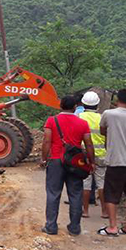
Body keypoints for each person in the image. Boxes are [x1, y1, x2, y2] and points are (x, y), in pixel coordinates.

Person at [41, 95, 95, 236]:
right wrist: (91, 161)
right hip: (75, 163)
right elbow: (89, 144)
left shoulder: (52, 121)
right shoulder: (82, 123)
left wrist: (44, 158)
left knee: (53, 193)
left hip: (56, 160)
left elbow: (47, 141)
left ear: (60, 106)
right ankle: (74, 227)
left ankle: (51, 226)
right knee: (76, 194)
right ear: (75, 107)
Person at [99, 89, 126, 236]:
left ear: (116, 100)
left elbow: (102, 130)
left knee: (111, 194)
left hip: (115, 160)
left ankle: (112, 227)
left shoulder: (108, 114)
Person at [78, 91, 106, 218]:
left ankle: (85, 211)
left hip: (84, 155)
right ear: (97, 105)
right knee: (102, 183)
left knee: (86, 183)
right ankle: (104, 211)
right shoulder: (102, 117)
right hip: (101, 154)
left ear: (83, 104)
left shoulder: (79, 117)